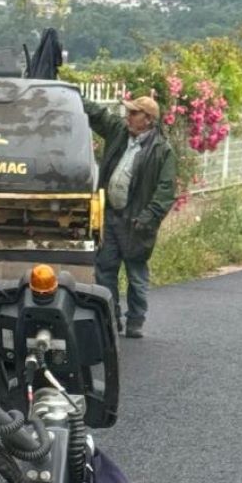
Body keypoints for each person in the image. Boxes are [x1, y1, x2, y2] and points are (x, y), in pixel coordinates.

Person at [82, 93, 176, 338]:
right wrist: (71, 93)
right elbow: (97, 114)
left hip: (136, 223)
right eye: (129, 112)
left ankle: (136, 320)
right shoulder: (119, 132)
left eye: (134, 113)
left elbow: (166, 191)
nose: (128, 116)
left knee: (136, 274)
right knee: (105, 269)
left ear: (149, 119)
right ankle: (111, 318)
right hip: (111, 215)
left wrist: (147, 219)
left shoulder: (162, 150)